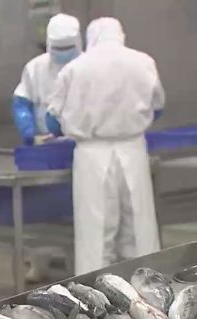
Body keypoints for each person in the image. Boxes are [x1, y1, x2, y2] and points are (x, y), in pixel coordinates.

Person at [47, 17, 165, 274]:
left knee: (95, 232)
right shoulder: (143, 62)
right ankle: (147, 286)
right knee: (138, 227)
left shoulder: (75, 69)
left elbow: (52, 120)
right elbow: (157, 107)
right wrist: (127, 121)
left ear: (89, 38)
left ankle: (97, 289)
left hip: (91, 155)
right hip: (133, 150)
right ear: (120, 35)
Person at [12, 13, 82, 282]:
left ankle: (76, 265)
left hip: (76, 148)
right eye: (58, 48)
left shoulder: (87, 67)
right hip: (44, 150)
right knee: (39, 208)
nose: (62, 54)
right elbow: (21, 102)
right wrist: (29, 131)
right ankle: (38, 263)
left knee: (73, 210)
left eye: (68, 48)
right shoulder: (35, 68)